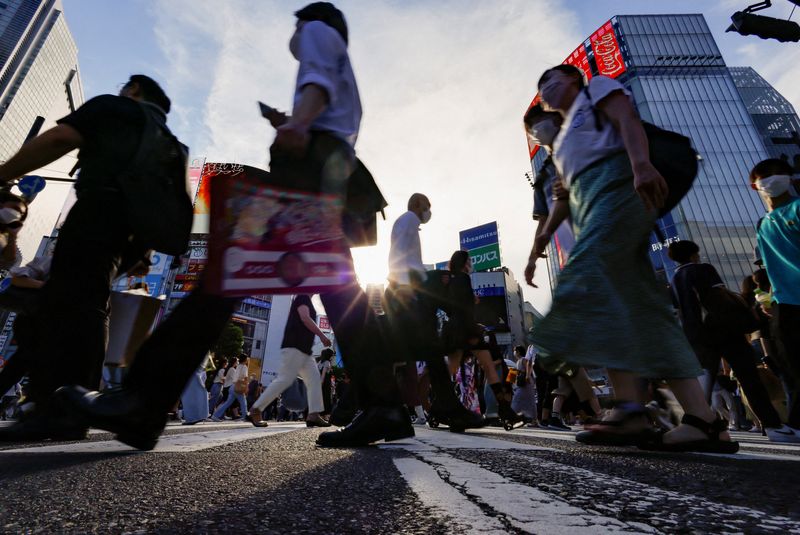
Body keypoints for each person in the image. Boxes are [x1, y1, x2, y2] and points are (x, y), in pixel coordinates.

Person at [58, 3, 410, 450]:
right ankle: (384, 404)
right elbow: (329, 105)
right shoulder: (338, 58)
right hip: (323, 172)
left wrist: (298, 123)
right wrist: (291, 120)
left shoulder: (320, 31)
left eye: (296, 23)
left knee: (229, 269)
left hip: (304, 171)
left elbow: (318, 81)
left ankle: (144, 401)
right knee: (336, 284)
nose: (295, 31)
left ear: (308, 21)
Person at [525, 64, 736, 452]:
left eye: (549, 81)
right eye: (540, 89)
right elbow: (562, 199)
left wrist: (641, 165)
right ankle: (702, 420)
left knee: (590, 280)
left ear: (572, 79)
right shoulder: (562, 142)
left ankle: (629, 410)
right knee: (639, 309)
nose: (545, 90)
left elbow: (629, 121)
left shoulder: (596, 91)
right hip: (590, 209)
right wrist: (539, 246)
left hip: (619, 191)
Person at [0, 75, 180, 442]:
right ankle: (66, 402)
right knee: (85, 302)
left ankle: (62, 407)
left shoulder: (117, 107)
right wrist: (142, 252)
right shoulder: (172, 144)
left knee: (70, 303)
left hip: (97, 208)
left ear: (134, 90)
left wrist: (4, 173)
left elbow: (61, 138)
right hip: (130, 236)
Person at [667, 240, 791, 442]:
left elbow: (679, 311)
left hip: (698, 337)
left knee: (703, 385)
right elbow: (720, 296)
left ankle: (698, 426)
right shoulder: (703, 269)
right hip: (724, 331)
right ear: (693, 255)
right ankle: (772, 425)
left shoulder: (675, 278)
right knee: (749, 378)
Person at [384, 193, 483, 431]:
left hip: (406, 292)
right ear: (417, 204)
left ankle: (446, 408)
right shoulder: (408, 219)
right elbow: (397, 257)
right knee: (418, 351)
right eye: (428, 206)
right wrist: (408, 287)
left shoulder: (409, 223)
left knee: (425, 351)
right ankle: (448, 409)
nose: (429, 211)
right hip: (405, 294)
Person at [748, 158, 800, 441]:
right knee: (791, 366)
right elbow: (766, 266)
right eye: (765, 176)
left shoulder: (798, 207)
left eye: (780, 174)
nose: (774, 179)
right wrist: (765, 298)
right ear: (754, 185)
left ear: (791, 178)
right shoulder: (763, 222)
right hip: (784, 302)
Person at [444, 250, 521, 425]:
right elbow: (464, 308)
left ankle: (440, 406)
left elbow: (451, 307)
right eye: (469, 260)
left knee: (452, 370)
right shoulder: (463, 279)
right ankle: (504, 408)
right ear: (464, 262)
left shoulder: (451, 281)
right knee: (488, 367)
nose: (471, 263)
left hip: (456, 330)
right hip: (467, 328)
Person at [247, 295, 331, 427]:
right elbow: (305, 317)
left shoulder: (306, 299)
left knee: (314, 378)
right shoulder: (302, 297)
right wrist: (322, 335)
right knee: (285, 379)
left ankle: (313, 414)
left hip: (304, 350)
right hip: (295, 346)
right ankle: (255, 410)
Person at [211, 354, 249, 422]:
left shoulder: (237, 366)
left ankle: (215, 415)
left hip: (232, 386)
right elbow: (245, 378)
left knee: (227, 403)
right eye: (247, 359)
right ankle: (245, 416)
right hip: (238, 387)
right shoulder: (244, 367)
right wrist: (246, 387)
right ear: (245, 360)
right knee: (243, 402)